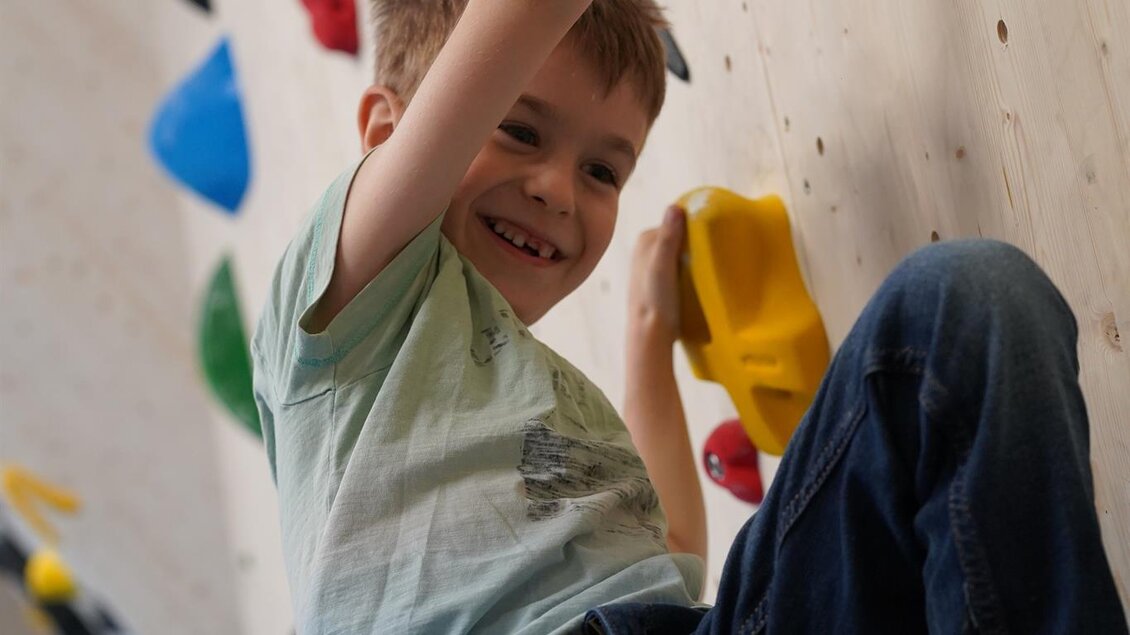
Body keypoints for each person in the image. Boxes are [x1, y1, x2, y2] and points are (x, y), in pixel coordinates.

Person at [251, 1, 1128, 632]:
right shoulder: (351, 311)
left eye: (604, 172)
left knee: (962, 307)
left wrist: (647, 339)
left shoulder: (553, 402)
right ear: (384, 133)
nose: (560, 188)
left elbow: (666, 551)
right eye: (518, 130)